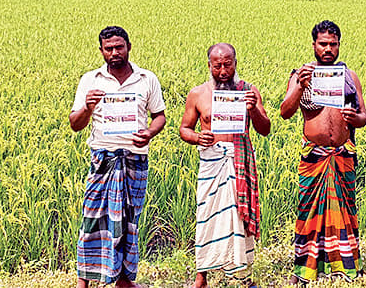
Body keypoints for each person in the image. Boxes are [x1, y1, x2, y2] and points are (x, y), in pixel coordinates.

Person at [70, 26, 166, 288]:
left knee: (129, 222)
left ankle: (124, 280)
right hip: (103, 159)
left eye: (119, 47)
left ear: (129, 47)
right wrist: (88, 108)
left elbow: (160, 116)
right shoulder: (91, 80)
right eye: (109, 48)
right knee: (92, 219)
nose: (114, 53)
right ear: (101, 51)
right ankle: (84, 281)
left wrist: (149, 133)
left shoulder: (147, 79)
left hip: (135, 160)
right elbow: (75, 123)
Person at [280, 20, 366, 284]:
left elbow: (363, 117)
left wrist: (355, 117)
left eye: (333, 44)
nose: (328, 49)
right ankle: (304, 270)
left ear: (339, 45)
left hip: (342, 154)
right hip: (314, 156)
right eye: (323, 44)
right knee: (309, 212)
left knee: (346, 211)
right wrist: (300, 87)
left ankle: (348, 266)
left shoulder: (350, 78)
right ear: (314, 45)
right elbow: (285, 112)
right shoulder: (301, 75)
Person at [179, 43, 270, 288]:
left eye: (227, 64)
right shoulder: (198, 94)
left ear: (235, 63)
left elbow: (265, 129)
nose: (222, 70)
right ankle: (202, 277)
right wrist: (199, 137)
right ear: (209, 66)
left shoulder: (248, 91)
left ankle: (243, 276)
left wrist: (254, 110)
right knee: (207, 216)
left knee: (239, 218)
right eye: (217, 65)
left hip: (240, 161)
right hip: (212, 162)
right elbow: (184, 129)